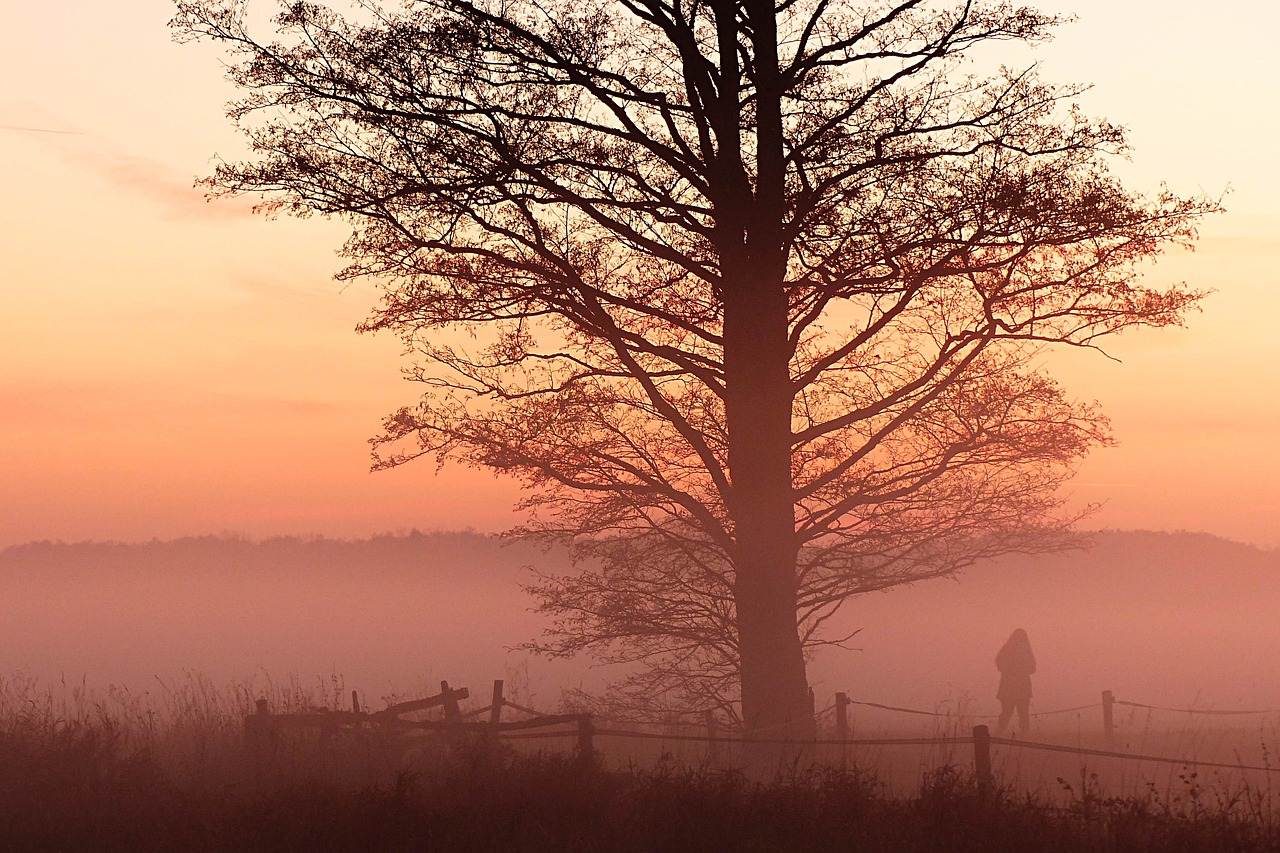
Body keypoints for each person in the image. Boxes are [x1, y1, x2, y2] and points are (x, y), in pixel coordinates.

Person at [995, 628, 1036, 735]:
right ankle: (1023, 734)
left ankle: (1000, 733)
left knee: (1008, 712)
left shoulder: (1007, 649)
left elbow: (999, 664)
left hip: (1010, 687)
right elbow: (1032, 668)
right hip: (1020, 687)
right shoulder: (1026, 651)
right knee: (1022, 712)